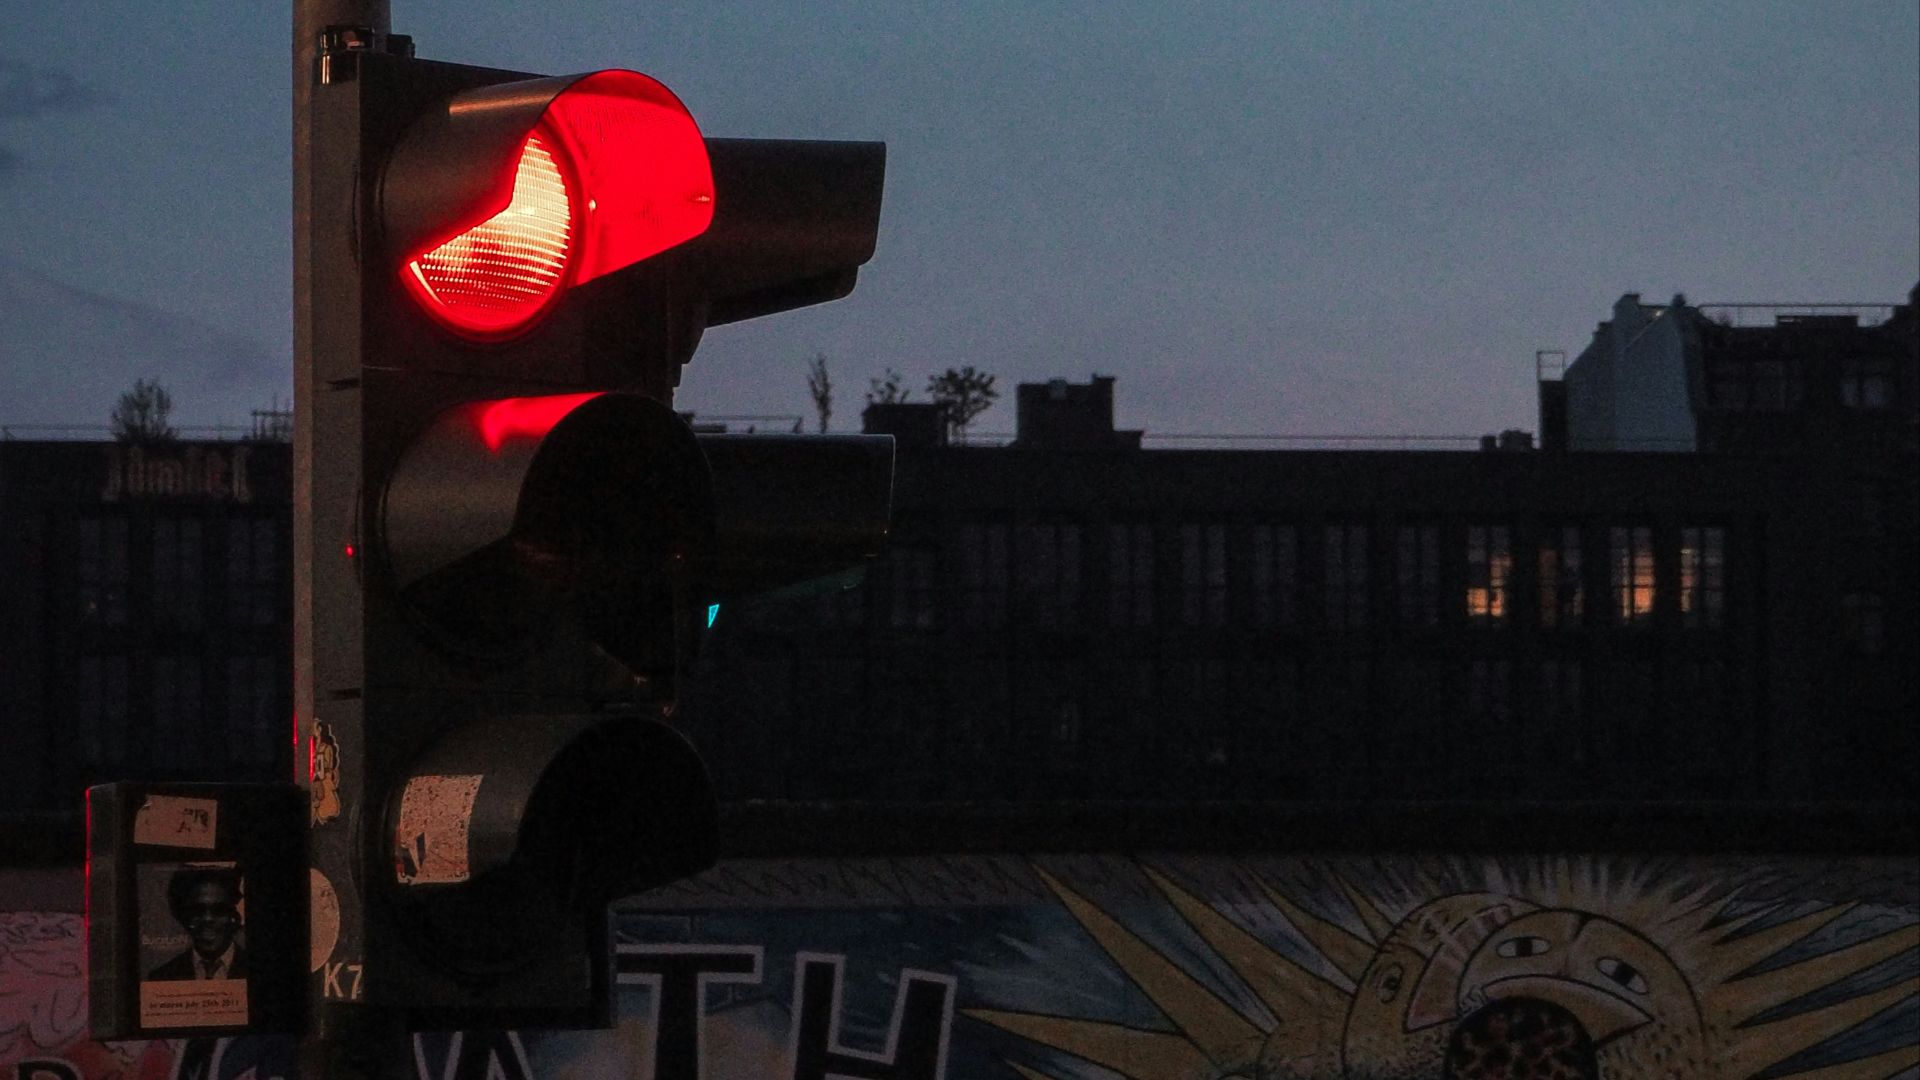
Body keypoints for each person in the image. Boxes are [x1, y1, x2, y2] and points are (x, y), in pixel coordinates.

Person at [147, 867, 247, 981]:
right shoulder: (162, 977)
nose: (207, 919)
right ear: (184, 916)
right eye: (197, 910)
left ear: (234, 915)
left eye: (219, 910)